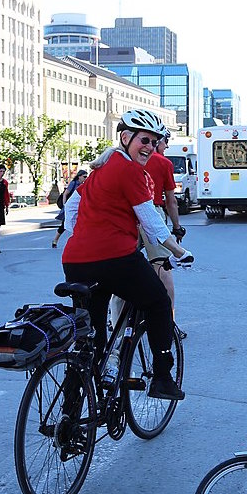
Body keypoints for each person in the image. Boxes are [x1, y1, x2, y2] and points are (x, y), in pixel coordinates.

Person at [62, 108, 193, 400]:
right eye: (143, 140)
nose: (149, 147)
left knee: (91, 338)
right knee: (159, 302)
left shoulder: (98, 170)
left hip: (75, 260)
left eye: (153, 141)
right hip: (115, 258)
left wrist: (83, 233)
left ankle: (70, 417)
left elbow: (71, 207)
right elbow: (149, 219)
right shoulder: (130, 170)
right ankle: (162, 377)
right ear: (125, 138)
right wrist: (179, 251)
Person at [141, 129, 186, 334]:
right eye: (165, 142)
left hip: (128, 215)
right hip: (153, 212)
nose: (166, 146)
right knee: (162, 266)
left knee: (121, 265)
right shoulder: (163, 163)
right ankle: (169, 322)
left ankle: (117, 323)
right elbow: (171, 200)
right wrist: (177, 227)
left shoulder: (128, 158)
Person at [50, 169, 87, 248]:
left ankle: (78, 240)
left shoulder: (82, 185)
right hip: (70, 207)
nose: (85, 178)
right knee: (64, 224)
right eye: (84, 176)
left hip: (78, 207)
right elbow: (65, 194)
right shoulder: (74, 183)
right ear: (79, 176)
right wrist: (65, 205)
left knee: (74, 223)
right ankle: (55, 240)